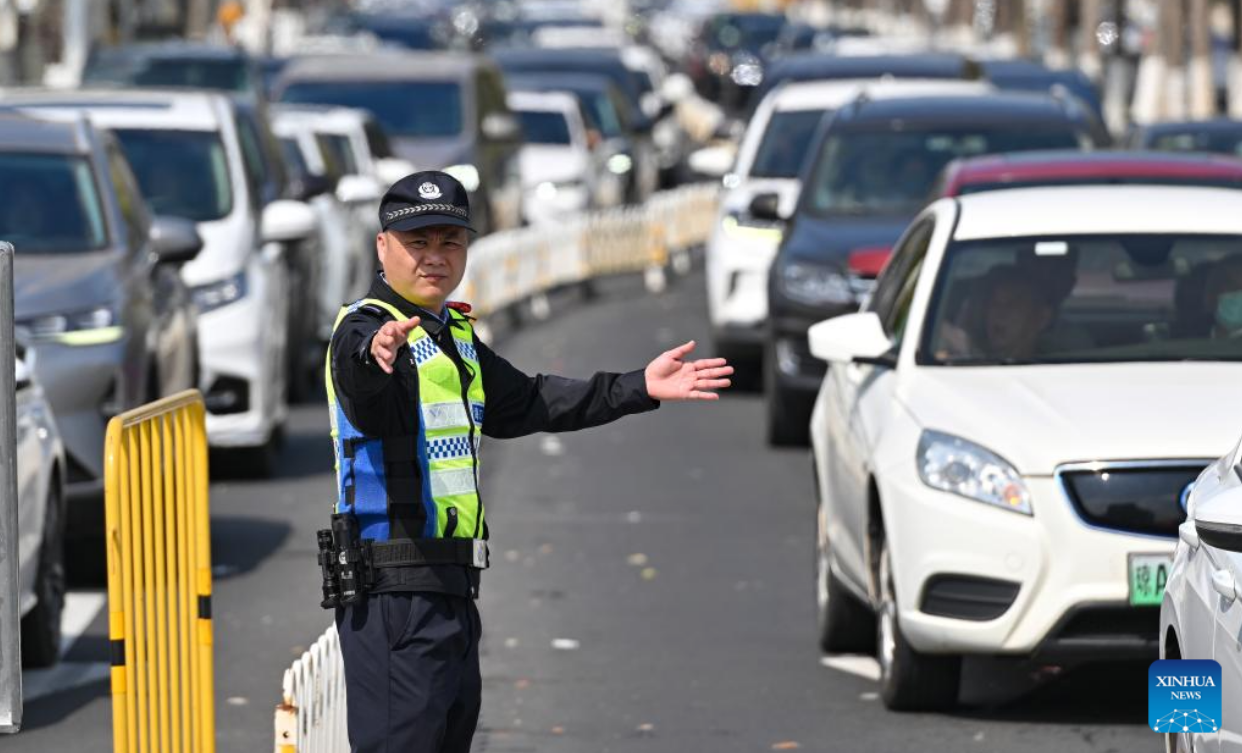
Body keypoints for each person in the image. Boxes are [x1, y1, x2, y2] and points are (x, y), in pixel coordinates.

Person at [324, 170, 733, 753]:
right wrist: (375, 353)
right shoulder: (365, 329)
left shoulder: (451, 336)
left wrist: (638, 385)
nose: (434, 258)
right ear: (382, 247)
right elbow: (361, 381)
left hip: (451, 590)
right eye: (418, 243)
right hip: (394, 593)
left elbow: (531, 401)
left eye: (450, 243)